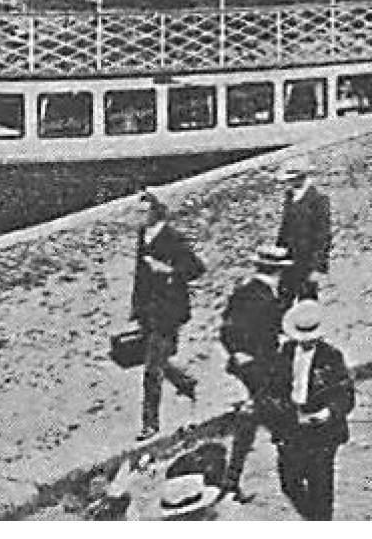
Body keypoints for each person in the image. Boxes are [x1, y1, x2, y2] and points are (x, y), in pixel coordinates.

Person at [266, 301, 355, 521]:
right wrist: (285, 414)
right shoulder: (285, 354)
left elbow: (346, 396)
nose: (307, 342)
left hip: (322, 433)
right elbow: (271, 391)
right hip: (292, 427)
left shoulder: (331, 357)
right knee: (289, 482)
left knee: (321, 489)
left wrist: (328, 413)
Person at [219, 245, 294, 501]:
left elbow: (226, 328)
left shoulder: (244, 290)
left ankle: (232, 479)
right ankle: (291, 475)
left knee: (253, 418)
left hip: (246, 365)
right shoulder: (267, 299)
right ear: (279, 271)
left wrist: (236, 352)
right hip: (261, 367)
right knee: (275, 417)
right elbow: (269, 337)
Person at [130, 190, 204, 440]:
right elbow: (140, 276)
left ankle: (150, 424)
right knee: (157, 360)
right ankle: (185, 383)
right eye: (136, 212)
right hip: (149, 310)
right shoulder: (144, 235)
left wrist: (168, 271)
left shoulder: (171, 237)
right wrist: (136, 308)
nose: (137, 217)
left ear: (154, 212)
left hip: (168, 311)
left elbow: (195, 268)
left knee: (152, 369)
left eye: (142, 212)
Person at [274, 156, 330, 303]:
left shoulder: (318, 200)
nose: (288, 183)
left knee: (306, 304)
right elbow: (284, 229)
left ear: (301, 177)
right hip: (288, 260)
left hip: (307, 261)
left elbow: (323, 237)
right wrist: (277, 254)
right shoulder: (289, 197)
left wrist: (318, 267)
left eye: (291, 179)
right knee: (283, 299)